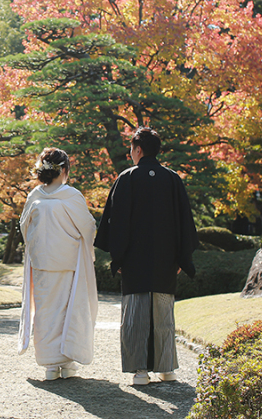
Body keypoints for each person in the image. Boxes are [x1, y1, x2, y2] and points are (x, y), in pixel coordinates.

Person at [94, 127, 198, 386]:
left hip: (134, 259)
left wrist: (118, 257)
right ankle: (166, 368)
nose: (130, 153)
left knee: (135, 315)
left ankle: (140, 371)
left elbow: (117, 222)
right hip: (166, 259)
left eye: (131, 149)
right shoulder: (172, 179)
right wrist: (182, 258)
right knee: (164, 314)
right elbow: (185, 221)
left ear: (138, 149)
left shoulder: (127, 178)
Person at [18, 147, 99, 381]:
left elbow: (24, 227)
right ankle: (66, 360)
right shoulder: (71, 195)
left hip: (42, 262)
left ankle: (50, 364)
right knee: (68, 310)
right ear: (63, 170)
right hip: (68, 260)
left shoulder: (35, 195)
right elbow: (88, 227)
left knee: (45, 311)